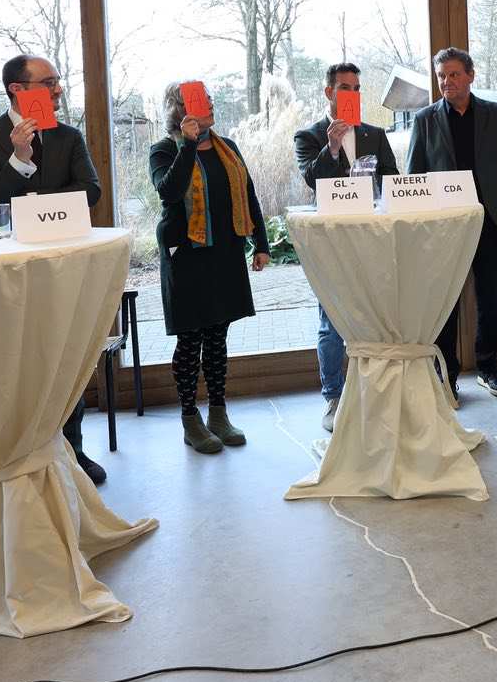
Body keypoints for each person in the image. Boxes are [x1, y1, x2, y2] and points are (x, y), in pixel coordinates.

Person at [0, 54, 109, 484]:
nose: (59, 89)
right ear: (18, 90)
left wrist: (28, 203)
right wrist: (20, 159)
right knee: (21, 362)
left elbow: (91, 191)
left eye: (59, 81)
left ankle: (74, 449)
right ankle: (25, 455)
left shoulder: (68, 136)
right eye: (49, 82)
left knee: (68, 355)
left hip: (65, 266)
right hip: (9, 276)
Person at [408, 47, 497, 400]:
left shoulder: (495, 114)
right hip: (444, 226)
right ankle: (447, 375)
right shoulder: (424, 120)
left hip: (489, 220)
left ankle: (488, 369)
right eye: (441, 77)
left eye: (453, 74)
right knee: (446, 303)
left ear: (470, 75)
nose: (447, 82)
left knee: (489, 300)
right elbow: (414, 177)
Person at [149, 79, 271, 454]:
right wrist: (188, 144)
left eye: (210, 100)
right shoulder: (164, 150)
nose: (211, 105)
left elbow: (248, 194)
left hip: (225, 253)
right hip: (185, 256)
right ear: (180, 111)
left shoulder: (227, 148)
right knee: (190, 340)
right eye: (201, 102)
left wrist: (261, 244)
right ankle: (190, 420)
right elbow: (169, 191)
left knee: (218, 338)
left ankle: (218, 413)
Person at [294, 62, 399, 432]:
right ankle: (333, 397)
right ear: (328, 93)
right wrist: (333, 147)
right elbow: (311, 180)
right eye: (344, 87)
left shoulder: (374, 133)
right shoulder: (308, 136)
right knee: (331, 322)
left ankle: (372, 392)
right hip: (331, 244)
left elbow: (394, 183)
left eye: (356, 88)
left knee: (372, 316)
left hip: (371, 241)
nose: (351, 94)